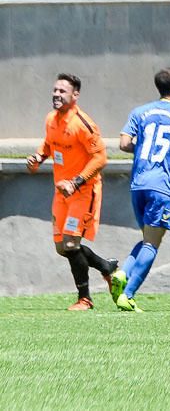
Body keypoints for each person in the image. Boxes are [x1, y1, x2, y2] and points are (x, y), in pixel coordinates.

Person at [110, 67, 170, 312]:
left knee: (146, 239)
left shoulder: (139, 112)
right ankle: (127, 294)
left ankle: (122, 274)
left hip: (138, 184)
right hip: (161, 186)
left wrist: (142, 149)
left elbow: (123, 143)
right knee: (152, 244)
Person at [26, 73, 117, 311]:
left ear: (75, 95)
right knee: (61, 247)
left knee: (70, 244)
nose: (56, 94)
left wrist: (76, 182)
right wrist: (38, 157)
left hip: (83, 191)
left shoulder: (83, 123)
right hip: (61, 193)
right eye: (55, 90)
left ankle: (85, 299)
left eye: (62, 91)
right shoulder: (51, 119)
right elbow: (49, 144)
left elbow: (101, 157)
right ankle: (107, 267)